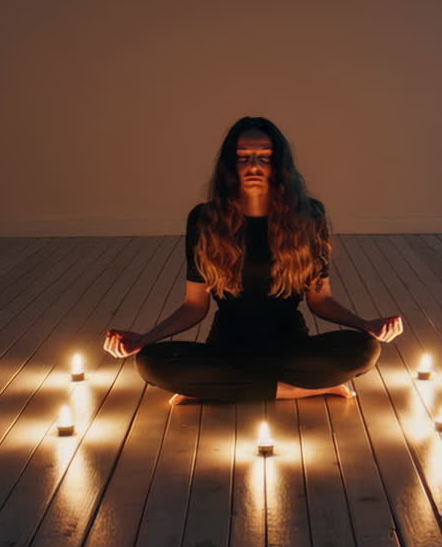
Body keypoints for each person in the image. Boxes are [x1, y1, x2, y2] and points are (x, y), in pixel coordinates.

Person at [102, 116, 404, 405]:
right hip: (226, 349)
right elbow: (194, 306)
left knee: (365, 349)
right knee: (150, 362)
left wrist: (365, 324)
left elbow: (321, 300)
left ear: (279, 164)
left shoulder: (309, 215)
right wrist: (145, 338)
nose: (254, 166)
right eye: (244, 157)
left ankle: (220, 389)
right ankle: (294, 390)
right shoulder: (205, 218)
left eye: (265, 157)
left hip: (291, 349)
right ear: (230, 165)